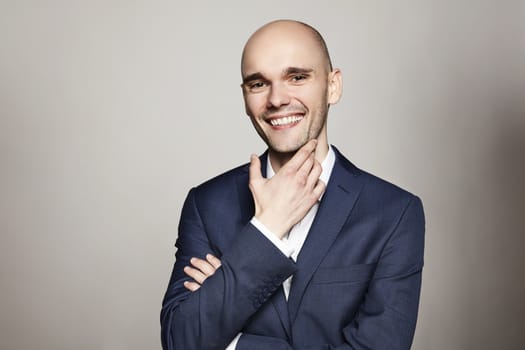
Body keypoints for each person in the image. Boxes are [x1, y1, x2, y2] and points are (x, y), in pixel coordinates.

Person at [161, 19, 425, 350]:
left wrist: (232, 342)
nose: (276, 99)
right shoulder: (207, 205)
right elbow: (179, 341)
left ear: (333, 86)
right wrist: (267, 229)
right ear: (244, 97)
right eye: (258, 84)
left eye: (297, 77)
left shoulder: (395, 213)